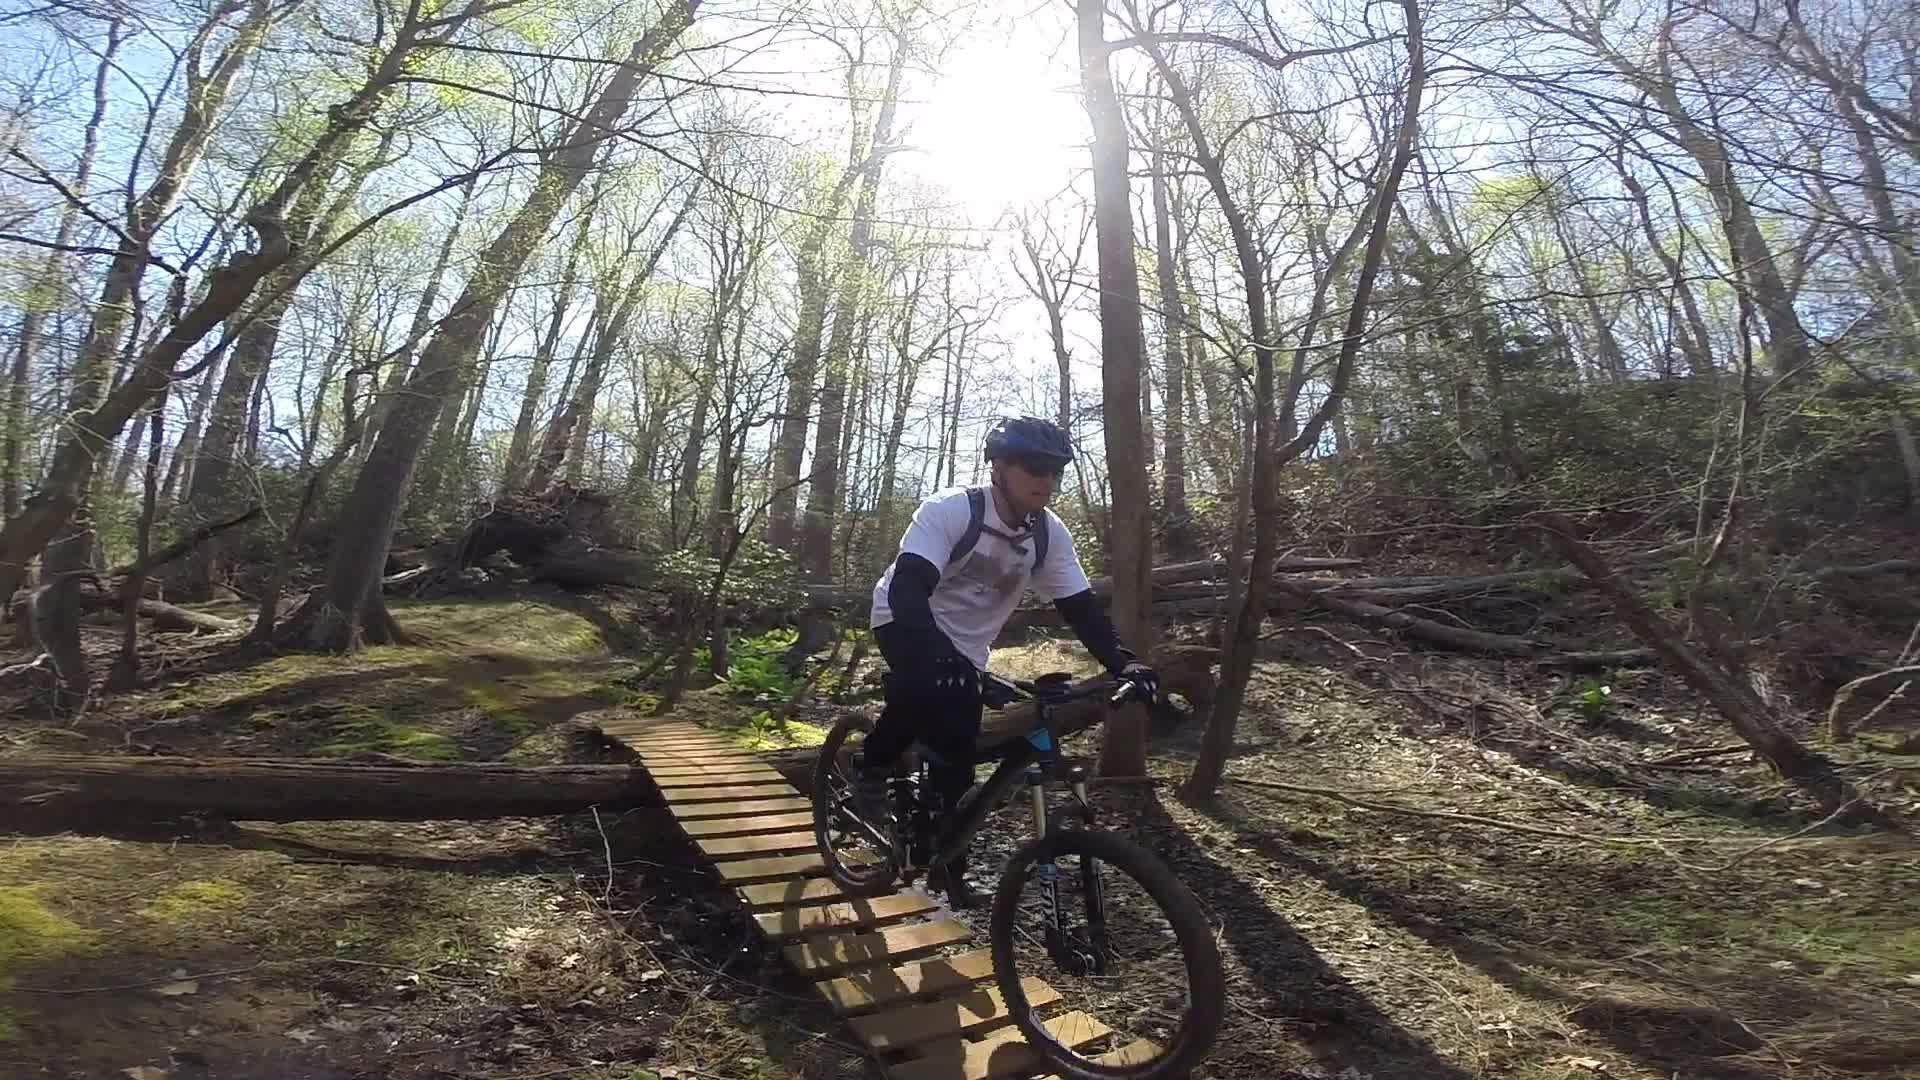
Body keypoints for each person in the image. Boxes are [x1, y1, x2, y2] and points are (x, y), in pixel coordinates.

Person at [856, 415, 1159, 907]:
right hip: (905, 617)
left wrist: (1125, 664)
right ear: (998, 466)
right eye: (1034, 467)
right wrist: (936, 655)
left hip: (969, 647)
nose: (1046, 480)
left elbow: (1081, 611)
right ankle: (871, 764)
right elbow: (910, 588)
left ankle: (947, 866)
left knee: (956, 762)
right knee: (923, 684)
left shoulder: (1049, 535)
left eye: (1055, 470)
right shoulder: (953, 510)